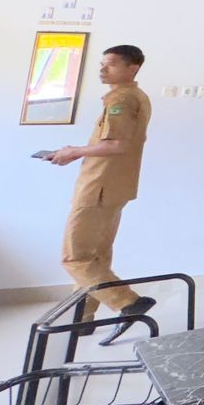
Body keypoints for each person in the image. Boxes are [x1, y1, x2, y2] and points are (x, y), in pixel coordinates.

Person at [47, 45, 155, 344]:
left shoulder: (121, 99)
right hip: (115, 187)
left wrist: (73, 152)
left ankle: (128, 302)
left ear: (133, 68)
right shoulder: (135, 96)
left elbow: (116, 144)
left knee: (75, 257)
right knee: (95, 257)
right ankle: (82, 320)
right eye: (102, 64)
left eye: (111, 64)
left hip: (98, 187)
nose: (103, 70)